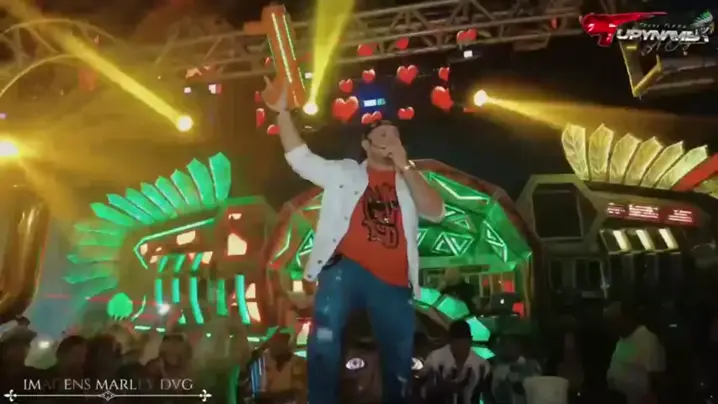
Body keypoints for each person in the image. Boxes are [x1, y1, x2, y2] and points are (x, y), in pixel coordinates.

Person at [262, 76, 445, 404]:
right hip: (346, 268)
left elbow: (436, 212)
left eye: (395, 135)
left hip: (393, 280)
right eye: (382, 135)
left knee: (399, 355)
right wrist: (282, 113)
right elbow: (301, 159)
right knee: (325, 335)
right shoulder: (346, 172)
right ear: (366, 145)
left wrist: (405, 166)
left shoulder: (410, 179)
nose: (390, 140)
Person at [605, 301, 665, 404]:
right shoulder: (622, 338)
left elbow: (655, 375)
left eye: (613, 322)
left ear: (625, 319)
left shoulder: (647, 338)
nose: (611, 327)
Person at [420, 320, 490, 404]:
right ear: (450, 341)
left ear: (470, 341)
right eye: (457, 343)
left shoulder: (481, 365)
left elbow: (486, 394)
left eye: (464, 343)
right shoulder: (435, 359)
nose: (461, 348)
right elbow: (422, 384)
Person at [490, 334, 542, 404]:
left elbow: (535, 385)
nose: (507, 347)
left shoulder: (531, 365)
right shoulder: (492, 366)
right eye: (503, 343)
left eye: (510, 343)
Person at [259, 332, 306, 403]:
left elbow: (298, 392)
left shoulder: (299, 363)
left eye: (283, 340)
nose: (278, 344)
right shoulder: (261, 361)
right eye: (276, 340)